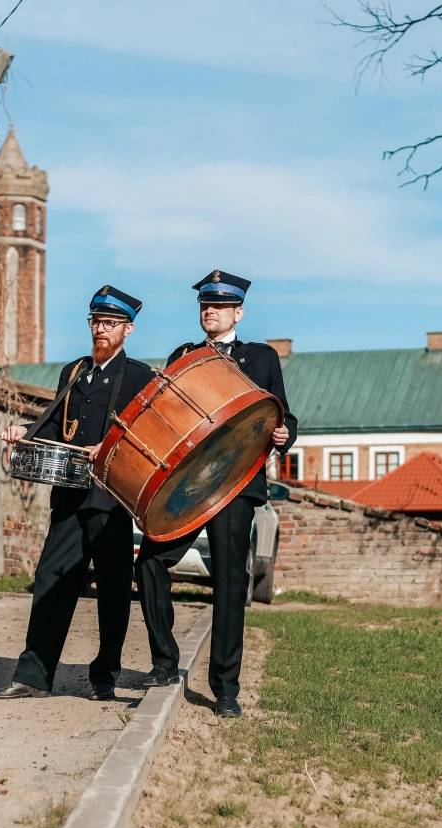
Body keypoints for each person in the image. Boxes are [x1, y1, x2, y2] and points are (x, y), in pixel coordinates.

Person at [135, 270, 297, 717]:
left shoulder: (261, 357)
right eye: (206, 306)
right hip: (186, 485)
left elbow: (283, 413)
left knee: (229, 580)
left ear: (237, 313)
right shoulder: (183, 356)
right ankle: (164, 662)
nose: (210, 311)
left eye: (220, 307)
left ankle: (226, 689)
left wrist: (285, 433)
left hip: (237, 484)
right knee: (149, 562)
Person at [0, 286, 155, 702]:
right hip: (68, 496)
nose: (101, 329)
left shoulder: (141, 377)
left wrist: (109, 446)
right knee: (51, 582)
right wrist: (24, 431)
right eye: (96, 321)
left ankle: (104, 678)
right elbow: (53, 424)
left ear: (128, 329)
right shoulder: (74, 371)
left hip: (112, 501)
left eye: (111, 323)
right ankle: (33, 676)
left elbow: (148, 436)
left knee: (113, 591)